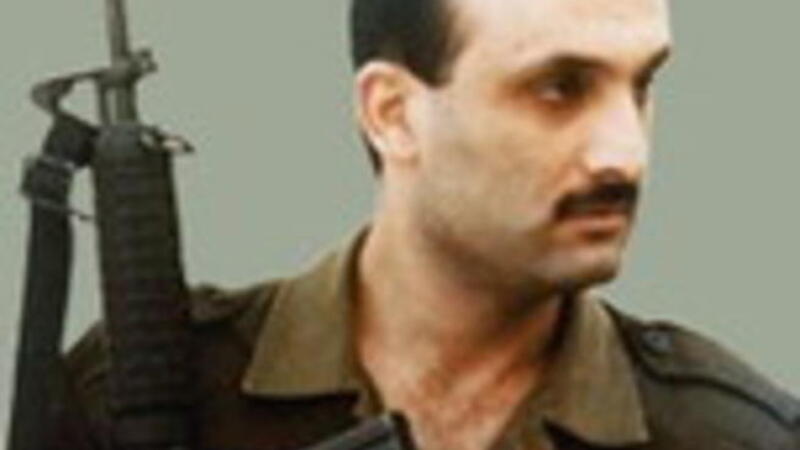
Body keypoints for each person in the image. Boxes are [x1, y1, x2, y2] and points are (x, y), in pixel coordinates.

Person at [50, 0, 800, 448]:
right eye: (560, 88)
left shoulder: (729, 434)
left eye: (641, 85)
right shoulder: (143, 388)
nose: (625, 153)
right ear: (392, 114)